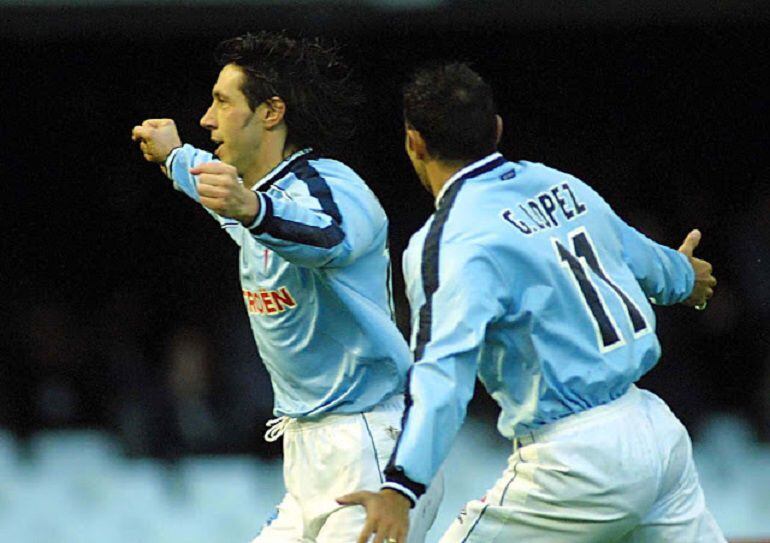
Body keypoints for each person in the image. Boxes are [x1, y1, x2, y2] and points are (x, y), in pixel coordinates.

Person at [338, 62, 725, 543]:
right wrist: (686, 276)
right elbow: (646, 262)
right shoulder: (560, 184)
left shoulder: (451, 240)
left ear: (413, 142)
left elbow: (443, 374)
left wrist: (402, 486)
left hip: (576, 461)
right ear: (497, 128)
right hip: (655, 432)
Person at [131, 31, 441, 543]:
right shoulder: (257, 201)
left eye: (222, 102)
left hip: (373, 448)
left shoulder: (330, 185)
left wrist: (252, 210)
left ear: (271, 112)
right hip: (306, 456)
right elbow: (225, 199)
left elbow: (330, 237)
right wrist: (173, 157)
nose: (206, 119)